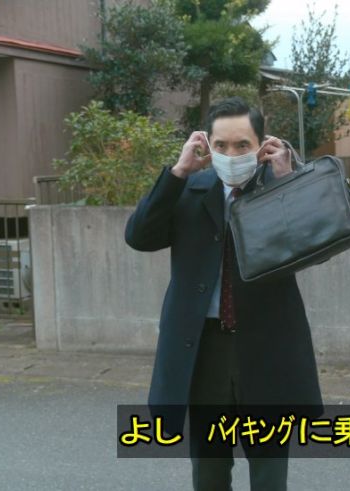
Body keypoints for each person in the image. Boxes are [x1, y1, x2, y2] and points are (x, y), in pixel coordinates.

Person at [124, 97, 323, 490]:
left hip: (265, 349)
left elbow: (312, 244)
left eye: (242, 145)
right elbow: (139, 236)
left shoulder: (280, 187)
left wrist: (289, 182)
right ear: (206, 144)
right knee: (209, 471)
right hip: (203, 349)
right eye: (221, 145)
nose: (231, 155)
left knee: (269, 473)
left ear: (262, 145)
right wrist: (178, 172)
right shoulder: (188, 189)